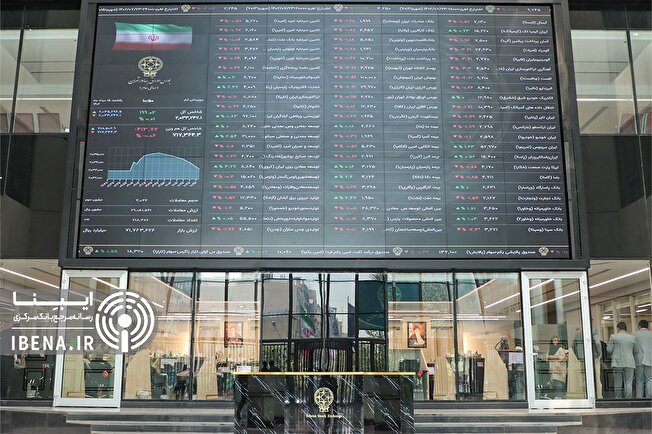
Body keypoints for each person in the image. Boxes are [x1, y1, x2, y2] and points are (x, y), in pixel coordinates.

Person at [607, 321, 640, 399]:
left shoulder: (613, 337)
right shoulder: (632, 338)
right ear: (626, 328)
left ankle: (618, 399)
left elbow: (609, 350)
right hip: (629, 362)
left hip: (617, 362)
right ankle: (628, 399)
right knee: (628, 383)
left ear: (618, 328)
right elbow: (637, 350)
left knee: (618, 382)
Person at [634, 319, 652, 398]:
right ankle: (649, 398)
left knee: (639, 380)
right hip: (649, 359)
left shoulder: (634, 334)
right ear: (647, 326)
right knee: (649, 380)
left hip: (638, 359)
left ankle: (639, 398)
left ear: (639, 326)